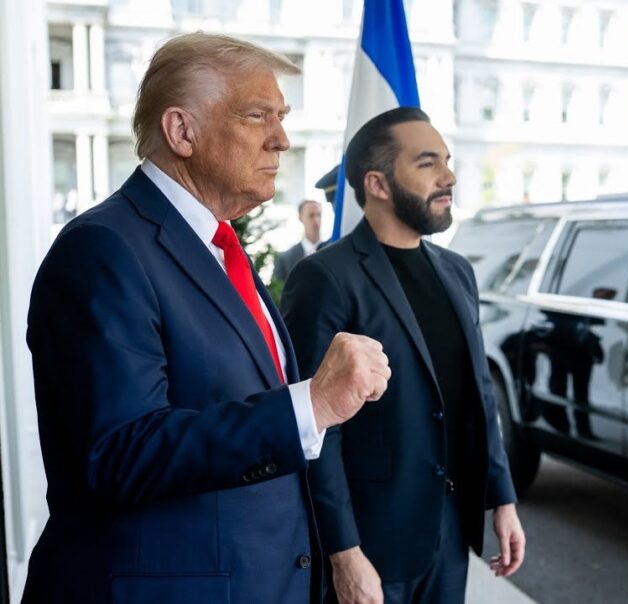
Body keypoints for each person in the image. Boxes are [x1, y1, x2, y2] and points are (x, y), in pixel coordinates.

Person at [23, 33, 391, 604]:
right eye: (258, 115)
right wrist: (311, 404)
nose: (281, 139)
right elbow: (121, 453)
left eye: (282, 117)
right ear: (181, 131)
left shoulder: (216, 246)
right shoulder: (101, 248)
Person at [281, 107, 525, 604]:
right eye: (427, 163)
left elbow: (478, 394)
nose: (448, 177)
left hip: (450, 534)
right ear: (378, 184)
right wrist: (344, 552)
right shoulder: (325, 277)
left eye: (447, 161)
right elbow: (317, 428)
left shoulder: (457, 272)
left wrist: (502, 498)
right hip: (372, 544)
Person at [273, 199, 323, 282]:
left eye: (319, 215)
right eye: (311, 215)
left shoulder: (332, 252)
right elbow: (277, 288)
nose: (316, 220)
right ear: (300, 218)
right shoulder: (285, 259)